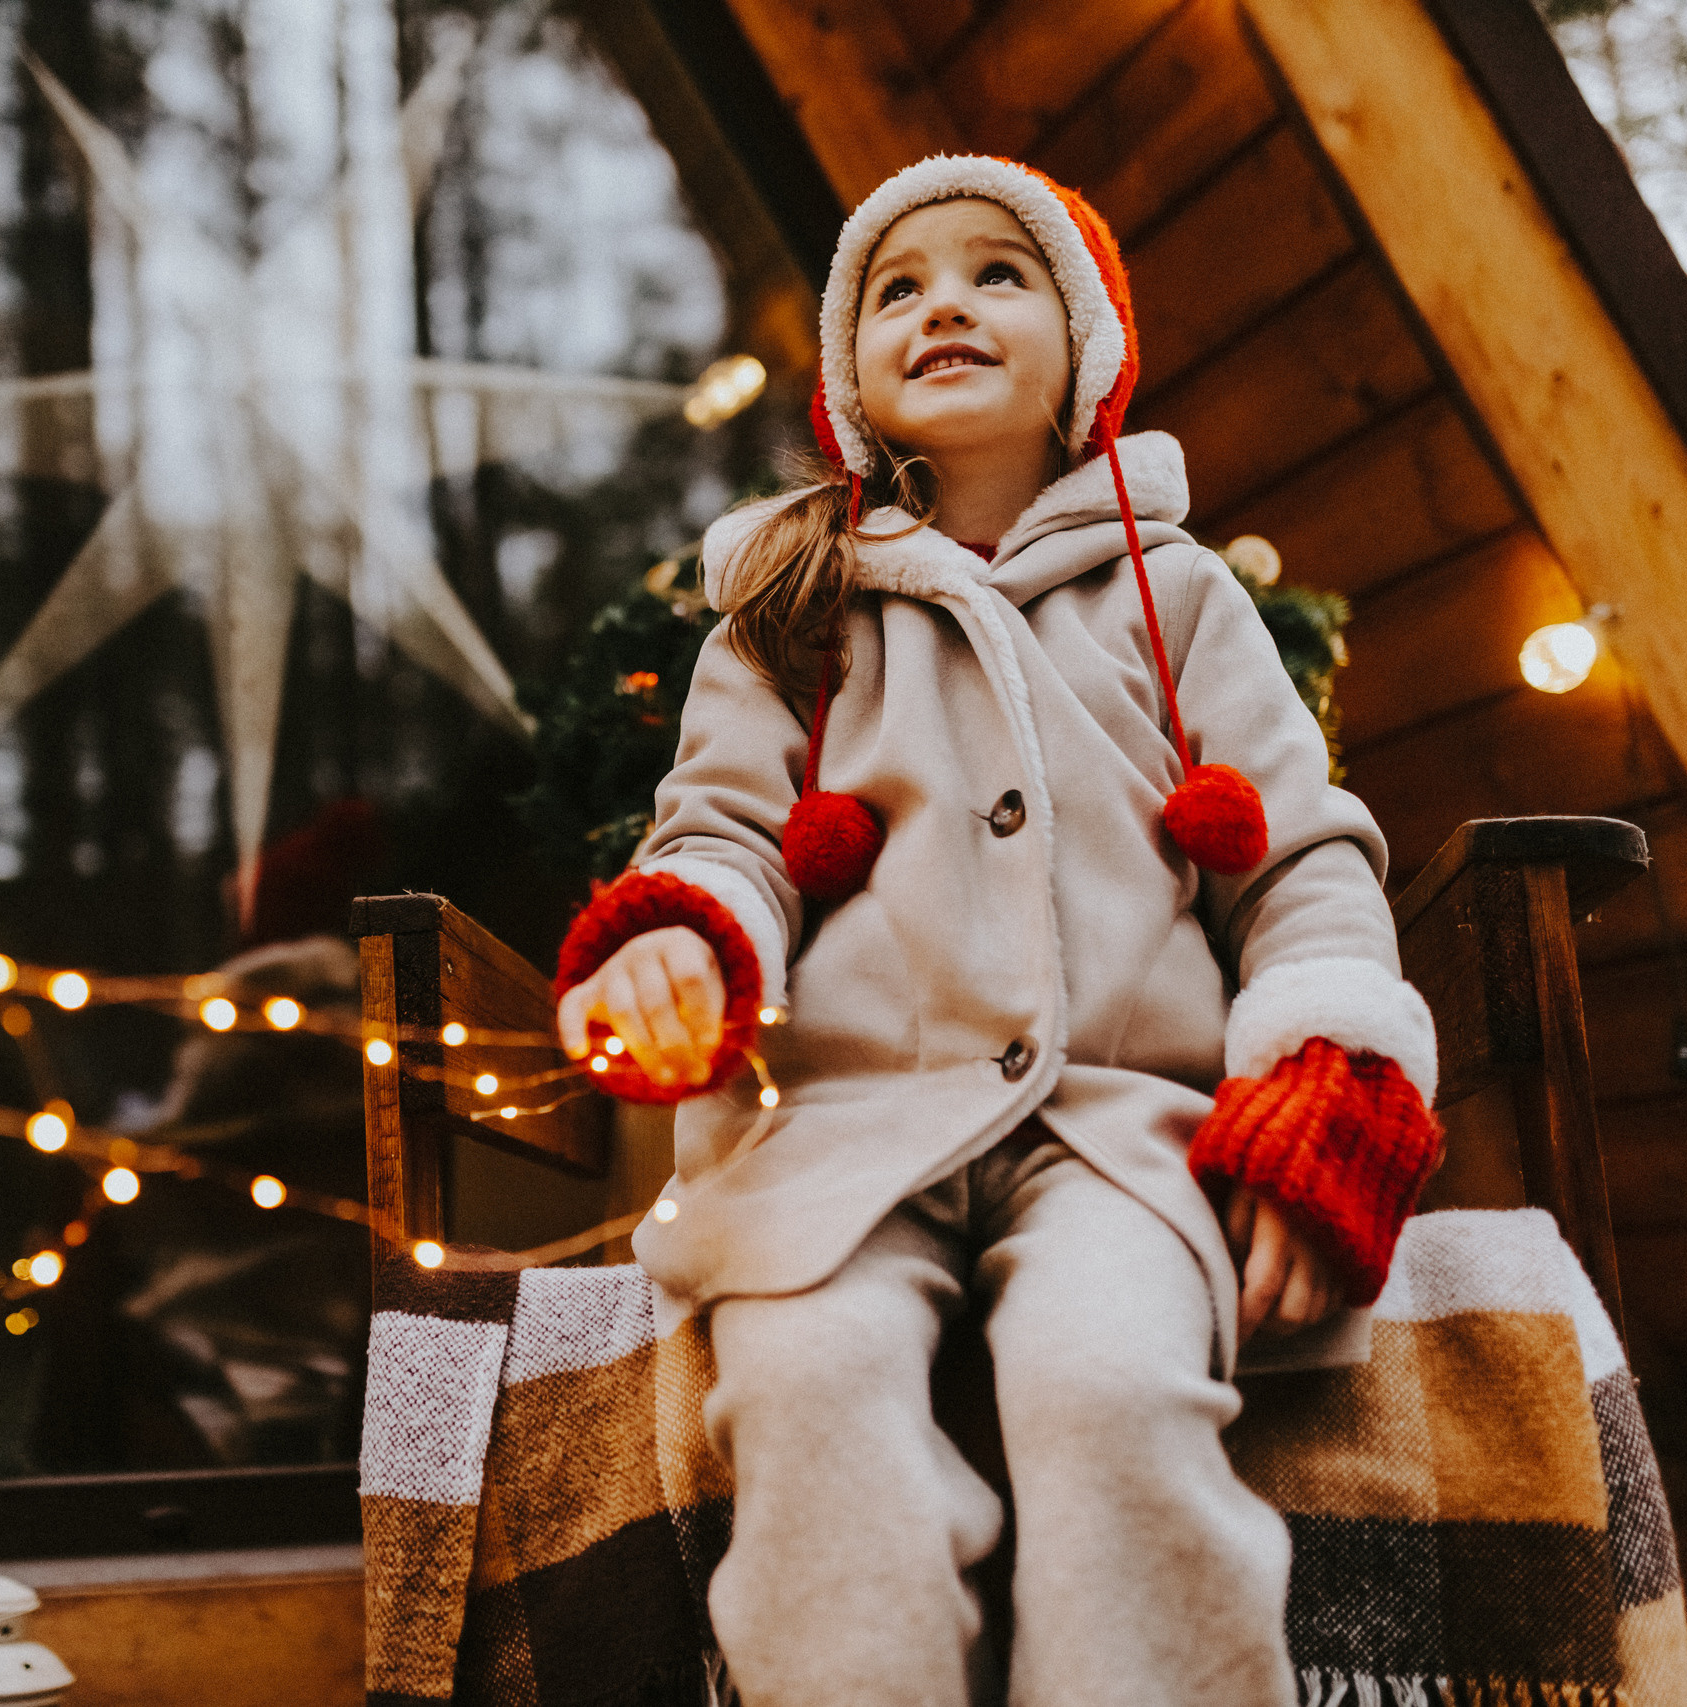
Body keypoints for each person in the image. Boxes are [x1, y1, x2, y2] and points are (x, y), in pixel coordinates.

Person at [549, 156, 1442, 1707]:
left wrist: (1327, 1081)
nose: (943, 301)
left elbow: (1300, 863)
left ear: (1083, 340)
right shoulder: (790, 611)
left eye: (996, 273)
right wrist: (683, 936)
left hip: (1116, 1128)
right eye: (897, 287)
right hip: (841, 1130)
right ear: (851, 371)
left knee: (1110, 1385)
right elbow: (725, 833)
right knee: (814, 1389)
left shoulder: (1183, 604)